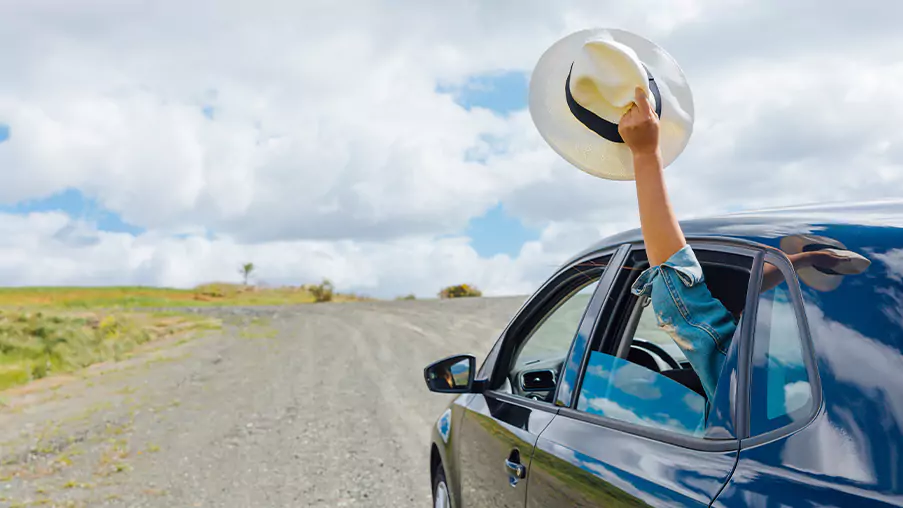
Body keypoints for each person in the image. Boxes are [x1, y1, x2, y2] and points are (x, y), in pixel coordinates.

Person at [617, 87, 846, 403]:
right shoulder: (833, 372)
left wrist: (644, 155)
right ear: (743, 308)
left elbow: (680, 294)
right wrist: (801, 261)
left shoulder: (740, 375)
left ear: (735, 314)